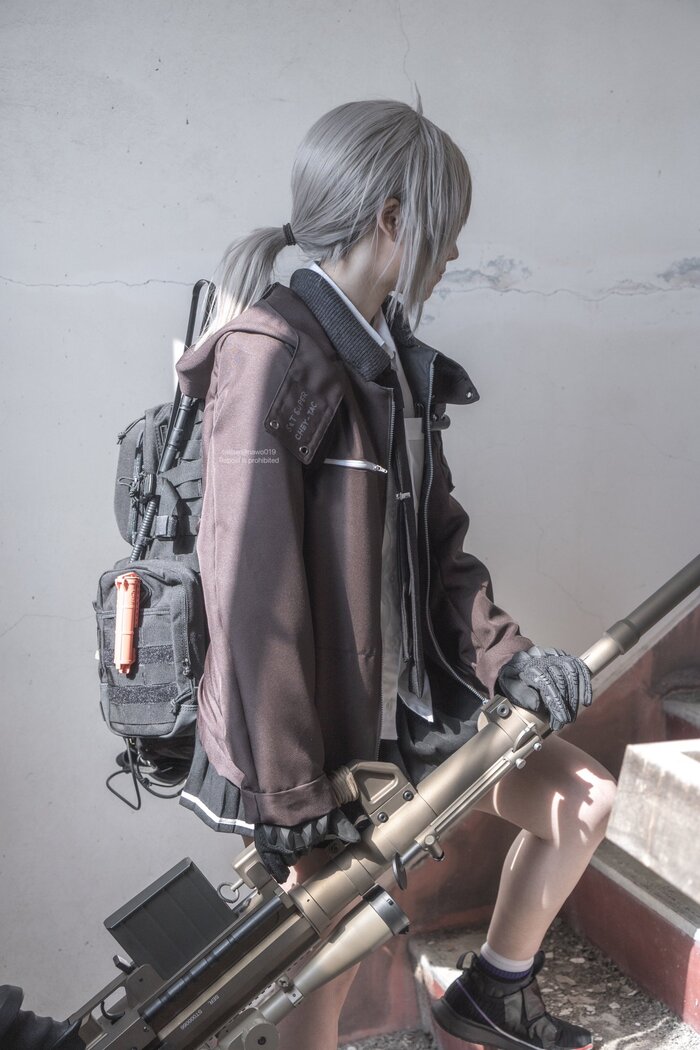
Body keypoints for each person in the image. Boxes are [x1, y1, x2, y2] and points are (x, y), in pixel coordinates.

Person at [176, 96, 617, 1050]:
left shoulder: (393, 355)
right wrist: (292, 793)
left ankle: (493, 995)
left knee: (581, 800)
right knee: (330, 961)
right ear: (391, 218)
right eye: (446, 228)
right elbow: (250, 600)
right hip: (315, 737)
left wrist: (510, 660)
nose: (453, 252)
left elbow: (438, 544)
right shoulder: (271, 355)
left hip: (413, 708)